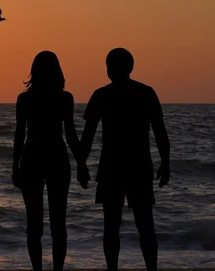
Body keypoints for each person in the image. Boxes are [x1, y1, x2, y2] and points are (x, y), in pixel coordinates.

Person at [78, 48, 170, 271]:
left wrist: (81, 165)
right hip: (138, 167)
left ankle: (113, 269)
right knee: (144, 223)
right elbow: (160, 132)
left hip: (112, 167)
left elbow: (87, 136)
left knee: (112, 225)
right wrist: (165, 162)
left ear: (109, 69)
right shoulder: (146, 93)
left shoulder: (101, 95)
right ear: (131, 68)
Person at [12, 51, 90, 271]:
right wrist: (81, 164)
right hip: (56, 157)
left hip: (32, 158)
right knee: (58, 224)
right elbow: (71, 135)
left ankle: (38, 269)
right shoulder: (64, 98)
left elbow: (20, 135)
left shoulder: (25, 99)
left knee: (34, 225)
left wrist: (15, 166)